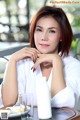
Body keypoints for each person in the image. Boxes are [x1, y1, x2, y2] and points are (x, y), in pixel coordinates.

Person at [1, 5, 80, 108]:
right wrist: (12, 60)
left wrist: (56, 60)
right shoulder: (22, 63)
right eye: (39, 30)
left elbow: (63, 105)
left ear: (61, 36)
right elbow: (8, 103)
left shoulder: (73, 66)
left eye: (52, 31)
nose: (44, 37)